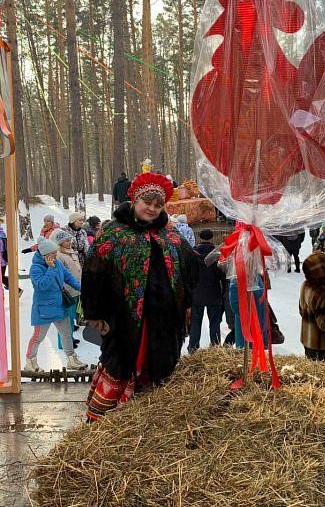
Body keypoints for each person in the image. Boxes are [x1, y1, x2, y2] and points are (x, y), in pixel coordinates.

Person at [81, 172, 198, 422]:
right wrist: (94, 313)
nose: (152, 209)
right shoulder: (114, 233)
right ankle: (110, 420)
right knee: (122, 363)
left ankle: (149, 421)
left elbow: (190, 270)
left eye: (158, 205)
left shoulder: (170, 235)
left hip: (164, 321)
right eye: (148, 203)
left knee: (158, 367)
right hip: (124, 319)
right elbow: (93, 272)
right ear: (134, 200)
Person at [24, 237, 86, 373]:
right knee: (38, 337)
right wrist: (51, 269)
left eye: (55, 252)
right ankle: (30, 361)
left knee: (67, 334)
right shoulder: (35, 268)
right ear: (44, 254)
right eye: (52, 253)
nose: (55, 255)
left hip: (59, 306)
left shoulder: (57, 263)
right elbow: (42, 285)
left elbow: (68, 277)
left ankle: (71, 359)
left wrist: (82, 288)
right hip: (44, 310)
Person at [188, 229, 225, 352]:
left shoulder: (192, 254)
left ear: (200, 238)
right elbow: (223, 275)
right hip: (214, 293)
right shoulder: (218, 254)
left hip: (196, 294)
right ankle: (215, 347)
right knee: (214, 323)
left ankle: (193, 347)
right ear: (212, 238)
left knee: (195, 323)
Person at [49, 228, 82, 350]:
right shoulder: (59, 255)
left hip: (75, 290)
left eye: (70, 239)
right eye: (66, 240)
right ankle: (63, 343)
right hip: (67, 291)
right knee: (64, 320)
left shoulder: (70, 252)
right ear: (59, 242)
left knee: (71, 317)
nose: (70, 242)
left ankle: (70, 338)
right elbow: (60, 275)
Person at [299, 252, 325, 361]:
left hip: (307, 338)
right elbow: (324, 323)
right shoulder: (322, 292)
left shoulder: (306, 285)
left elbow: (301, 310)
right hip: (321, 344)